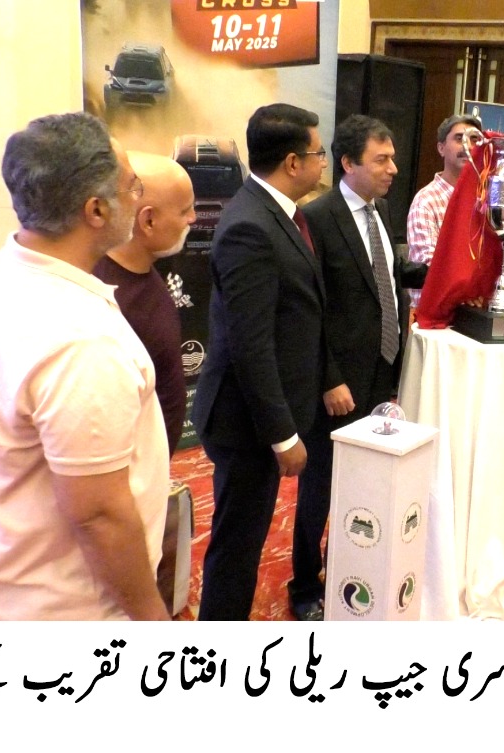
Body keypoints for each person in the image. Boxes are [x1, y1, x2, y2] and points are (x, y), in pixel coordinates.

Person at [0, 113, 168, 621]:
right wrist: (153, 619)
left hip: (10, 585)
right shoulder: (82, 339)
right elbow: (100, 515)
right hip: (76, 611)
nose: (137, 197)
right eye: (132, 186)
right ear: (96, 209)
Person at [191, 103, 328, 621]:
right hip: (245, 424)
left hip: (259, 417)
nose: (323, 163)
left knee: (243, 540)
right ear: (293, 162)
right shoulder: (250, 225)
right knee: (237, 548)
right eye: (318, 153)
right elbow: (250, 344)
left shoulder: (277, 213)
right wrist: (283, 435)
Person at [289, 114, 424, 619]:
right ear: (348, 163)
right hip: (339, 381)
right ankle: (304, 583)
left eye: (393, 158)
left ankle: (349, 564)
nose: (393, 169)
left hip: (382, 369)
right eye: (381, 160)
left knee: (368, 479)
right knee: (321, 486)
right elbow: (311, 308)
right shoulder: (317, 218)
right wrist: (329, 378)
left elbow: (386, 273)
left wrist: (441, 272)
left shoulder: (379, 209)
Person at [92, 152, 197, 451]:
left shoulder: (147, 272)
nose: (193, 218)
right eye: (185, 210)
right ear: (148, 220)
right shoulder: (105, 301)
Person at [405, 113, 481, 266]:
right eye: (459, 139)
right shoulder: (426, 201)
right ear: (441, 148)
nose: (468, 146)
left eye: (474, 140)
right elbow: (427, 265)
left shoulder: (485, 197)